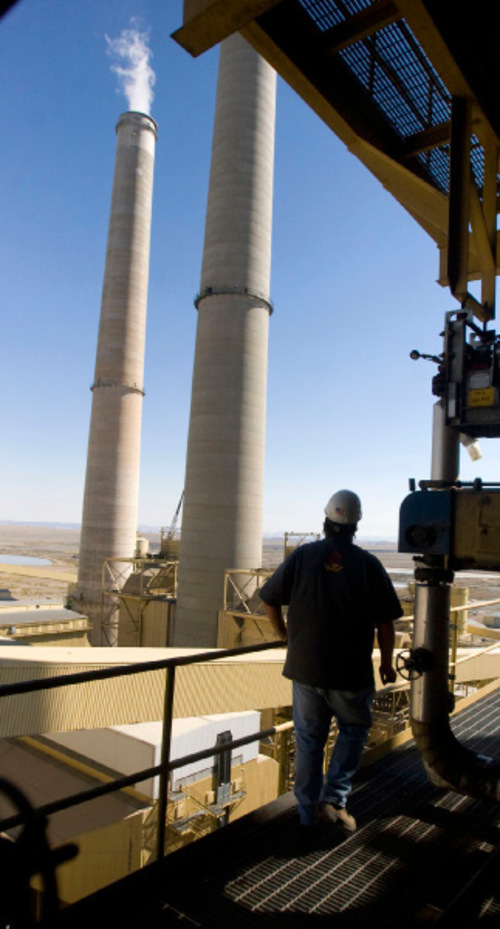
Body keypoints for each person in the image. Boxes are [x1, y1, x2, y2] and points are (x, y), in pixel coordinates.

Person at [259, 489, 403, 831]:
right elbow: (386, 622)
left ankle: (308, 814)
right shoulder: (368, 564)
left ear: (326, 521)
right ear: (356, 525)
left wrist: (284, 635)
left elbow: (269, 598)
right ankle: (334, 798)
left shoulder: (304, 555)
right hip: (350, 672)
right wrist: (385, 662)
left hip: (305, 669)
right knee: (354, 729)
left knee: (309, 740)